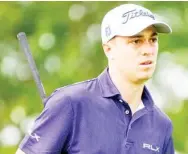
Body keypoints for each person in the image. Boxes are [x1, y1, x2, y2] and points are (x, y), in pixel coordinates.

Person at [16, 3, 174, 154]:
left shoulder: (162, 125)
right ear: (108, 49)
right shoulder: (70, 103)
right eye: (136, 41)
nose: (148, 49)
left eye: (153, 40)